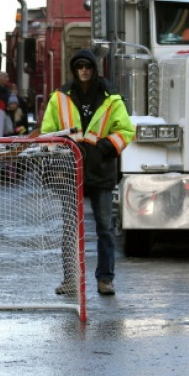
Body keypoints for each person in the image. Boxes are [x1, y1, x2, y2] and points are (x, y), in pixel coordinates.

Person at [41, 50, 134, 296]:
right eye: (79, 66)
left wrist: (104, 147)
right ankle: (70, 280)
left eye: (88, 66)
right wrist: (57, 164)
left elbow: (125, 131)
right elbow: (48, 132)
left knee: (104, 227)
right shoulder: (59, 97)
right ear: (74, 69)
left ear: (94, 68)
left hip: (100, 170)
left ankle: (105, 279)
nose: (84, 70)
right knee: (71, 228)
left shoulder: (110, 96)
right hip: (71, 169)